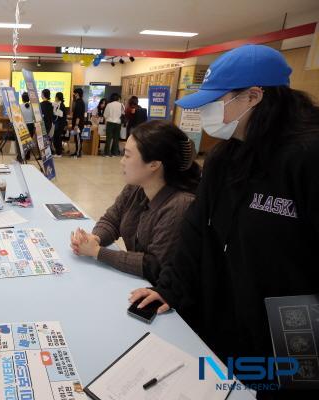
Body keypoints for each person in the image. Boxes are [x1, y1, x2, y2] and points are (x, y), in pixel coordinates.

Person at [129, 45, 319, 398]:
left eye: (215, 101)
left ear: (253, 96)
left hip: (295, 329)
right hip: (228, 312)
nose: (204, 112)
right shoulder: (225, 157)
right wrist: (169, 287)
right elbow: (197, 232)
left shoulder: (307, 157)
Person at [70, 120, 199, 284]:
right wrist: (95, 238)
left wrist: (97, 252)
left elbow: (153, 265)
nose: (121, 161)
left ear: (154, 164)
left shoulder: (179, 205)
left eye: (128, 155)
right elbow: (112, 220)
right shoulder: (136, 187)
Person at [20, 92, 36, 160]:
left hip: (22, 126)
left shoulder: (19, 106)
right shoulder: (32, 106)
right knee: (29, 141)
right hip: (31, 125)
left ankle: (22, 155)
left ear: (22, 98)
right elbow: (34, 117)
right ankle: (28, 156)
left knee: (22, 141)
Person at [71, 88, 86, 157]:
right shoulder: (78, 101)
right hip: (77, 123)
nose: (73, 94)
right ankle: (77, 151)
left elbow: (79, 115)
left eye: (74, 93)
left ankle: (78, 152)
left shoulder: (79, 102)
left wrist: (76, 124)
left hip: (78, 124)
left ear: (77, 94)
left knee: (78, 138)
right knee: (77, 138)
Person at [52, 92, 68, 157]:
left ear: (57, 97)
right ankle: (58, 152)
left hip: (60, 124)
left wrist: (54, 111)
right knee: (56, 138)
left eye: (55, 97)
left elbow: (60, 114)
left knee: (57, 138)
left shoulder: (61, 105)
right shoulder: (58, 104)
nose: (55, 98)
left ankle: (59, 153)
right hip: (58, 124)